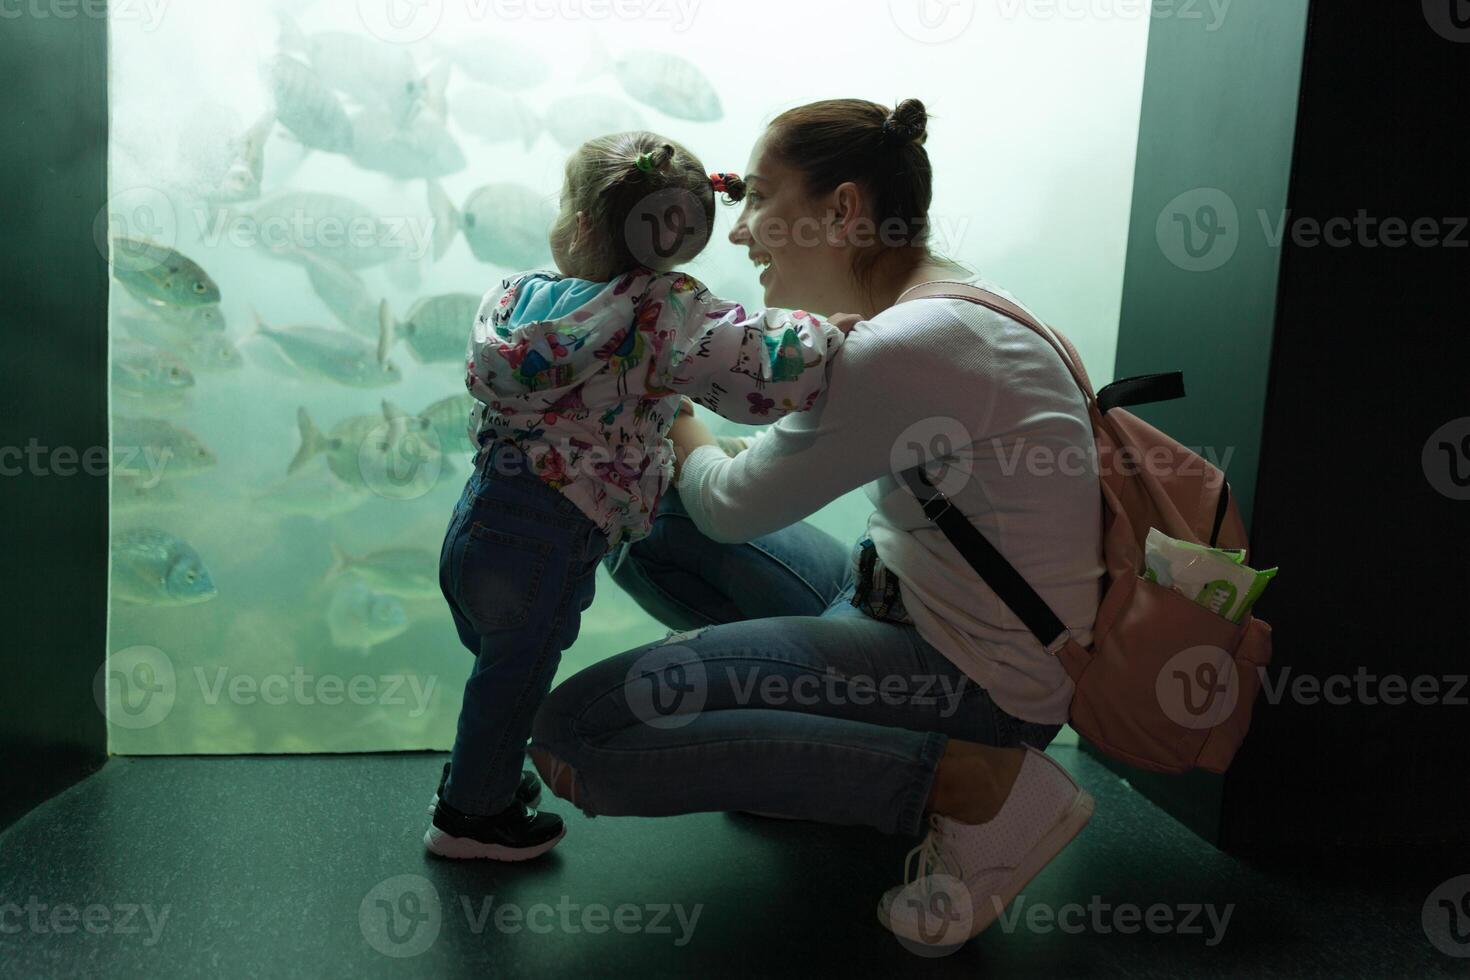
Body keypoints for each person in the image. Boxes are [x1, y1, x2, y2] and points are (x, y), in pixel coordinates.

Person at [529, 98, 1104, 946]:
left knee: (579, 735)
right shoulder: (957, 305)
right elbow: (730, 481)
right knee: (643, 515)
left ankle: (979, 784)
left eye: (758, 197)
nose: (739, 230)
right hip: (904, 613)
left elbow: (729, 505)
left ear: (842, 210)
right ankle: (844, 771)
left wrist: (660, 375)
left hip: (974, 686)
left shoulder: (907, 345)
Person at [427, 130, 858, 861]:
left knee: (493, 667)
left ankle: (482, 775)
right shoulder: (661, 313)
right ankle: (470, 818)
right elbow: (763, 366)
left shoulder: (517, 298)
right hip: (549, 539)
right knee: (517, 678)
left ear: (582, 225)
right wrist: (828, 335)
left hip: (477, 523)